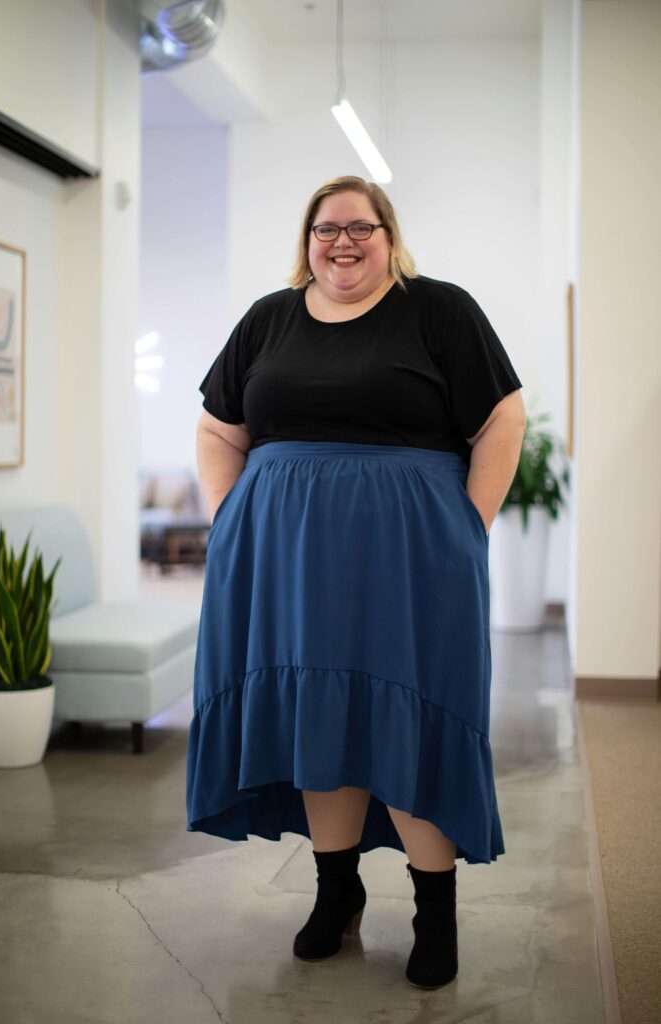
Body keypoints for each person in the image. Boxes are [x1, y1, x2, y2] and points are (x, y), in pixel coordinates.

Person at [186, 175, 525, 989]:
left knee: (408, 721)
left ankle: (433, 913)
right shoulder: (270, 317)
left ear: (389, 234)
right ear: (305, 240)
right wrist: (228, 521)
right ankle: (334, 894)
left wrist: (464, 530)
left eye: (359, 227)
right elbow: (217, 426)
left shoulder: (438, 309)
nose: (342, 241)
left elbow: (501, 417)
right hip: (285, 563)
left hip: (410, 561)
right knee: (320, 721)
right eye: (324, 228)